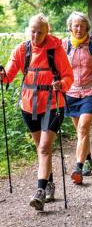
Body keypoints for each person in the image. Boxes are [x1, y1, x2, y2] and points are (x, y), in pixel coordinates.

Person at [0, 13, 74, 211]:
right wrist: (2, 75)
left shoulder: (56, 50)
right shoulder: (22, 50)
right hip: (28, 106)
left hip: (53, 104)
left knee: (44, 148)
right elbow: (8, 76)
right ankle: (49, 184)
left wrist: (61, 84)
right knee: (42, 149)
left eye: (40, 32)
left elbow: (68, 76)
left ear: (47, 32)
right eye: (33, 31)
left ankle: (40, 192)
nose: (35, 35)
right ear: (28, 29)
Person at [63, 12, 92, 185]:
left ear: (87, 27)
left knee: (83, 129)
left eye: (82, 25)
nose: (79, 29)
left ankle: (78, 168)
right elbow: (58, 67)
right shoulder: (64, 44)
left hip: (90, 91)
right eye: (76, 25)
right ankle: (88, 159)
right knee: (81, 132)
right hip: (71, 92)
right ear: (70, 27)